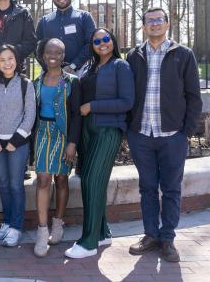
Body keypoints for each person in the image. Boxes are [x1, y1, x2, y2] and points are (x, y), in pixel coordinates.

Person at [126, 7, 202, 263]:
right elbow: (127, 94)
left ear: (167, 24)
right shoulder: (134, 55)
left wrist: (185, 132)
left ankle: (167, 238)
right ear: (144, 26)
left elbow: (194, 97)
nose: (155, 24)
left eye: (159, 20)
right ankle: (150, 235)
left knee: (171, 189)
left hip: (172, 136)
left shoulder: (183, 55)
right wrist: (130, 128)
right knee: (147, 187)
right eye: (150, 21)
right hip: (141, 135)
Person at [64, 28, 134, 259]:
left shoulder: (120, 67)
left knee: (92, 181)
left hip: (107, 130)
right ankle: (103, 233)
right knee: (92, 180)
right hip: (87, 130)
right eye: (96, 41)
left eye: (106, 39)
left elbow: (126, 101)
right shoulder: (91, 67)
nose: (102, 43)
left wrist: (92, 106)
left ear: (113, 41)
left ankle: (89, 242)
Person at [32, 38, 81, 258]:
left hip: (64, 135)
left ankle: (58, 224)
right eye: (49, 52)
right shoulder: (37, 81)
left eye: (58, 53)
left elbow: (77, 115)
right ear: (43, 56)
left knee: (61, 179)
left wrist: (72, 143)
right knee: (43, 179)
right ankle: (42, 232)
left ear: (63, 56)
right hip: (43, 132)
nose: (53, 56)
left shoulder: (71, 81)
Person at [0, 44, 36, 247]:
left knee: (16, 185)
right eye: (2, 59)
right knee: (4, 184)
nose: (7, 63)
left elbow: (30, 115)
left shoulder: (26, 84)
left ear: (17, 60)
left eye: (10, 58)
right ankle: (7, 223)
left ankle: (16, 227)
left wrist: (15, 141)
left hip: (18, 144)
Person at [36, 0, 96, 74]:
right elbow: (37, 48)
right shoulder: (44, 21)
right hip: (50, 74)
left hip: (79, 72)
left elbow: (91, 44)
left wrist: (73, 66)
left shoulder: (85, 17)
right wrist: (48, 68)